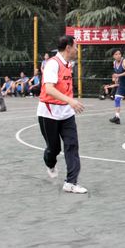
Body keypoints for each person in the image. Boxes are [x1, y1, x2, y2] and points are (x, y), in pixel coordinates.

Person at [36, 35, 87, 194]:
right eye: (76, 46)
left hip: (66, 113)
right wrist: (70, 100)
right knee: (54, 149)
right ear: (68, 48)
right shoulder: (53, 64)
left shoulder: (68, 64)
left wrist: (69, 103)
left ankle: (71, 182)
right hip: (49, 113)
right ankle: (50, 163)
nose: (77, 50)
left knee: (72, 145)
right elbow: (49, 89)